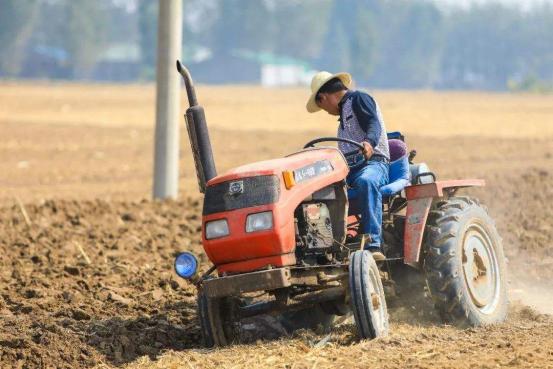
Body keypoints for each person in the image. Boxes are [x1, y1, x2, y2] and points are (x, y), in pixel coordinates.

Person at [306, 71, 389, 261]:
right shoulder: (342, 116)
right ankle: (322, 248)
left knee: (367, 181)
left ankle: (373, 244)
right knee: (315, 193)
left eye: (322, 107)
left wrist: (369, 142)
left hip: (373, 163)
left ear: (323, 98)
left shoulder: (359, 99)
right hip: (349, 170)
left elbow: (373, 124)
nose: (326, 111)